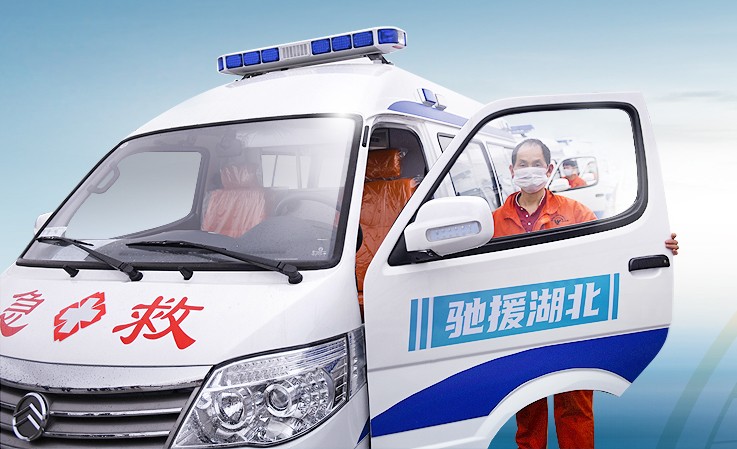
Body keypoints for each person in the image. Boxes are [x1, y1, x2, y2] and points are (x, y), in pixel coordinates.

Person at [492, 138, 679, 449]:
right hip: (520, 327)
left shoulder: (575, 212)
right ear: (512, 170)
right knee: (526, 411)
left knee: (574, 408)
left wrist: (658, 244)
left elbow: (609, 249)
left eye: (536, 164)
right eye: (522, 165)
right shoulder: (495, 221)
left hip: (571, 324)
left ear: (549, 169)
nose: (529, 170)